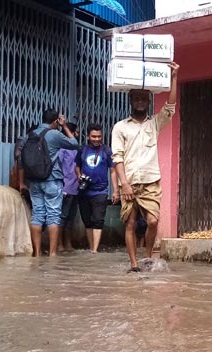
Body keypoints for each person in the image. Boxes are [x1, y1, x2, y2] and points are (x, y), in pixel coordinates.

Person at [111, 62, 179, 272]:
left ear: (148, 102)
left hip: (150, 182)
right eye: (136, 98)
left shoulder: (155, 123)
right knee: (130, 224)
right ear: (130, 100)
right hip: (129, 182)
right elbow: (117, 157)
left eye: (144, 98)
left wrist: (174, 77)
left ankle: (148, 257)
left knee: (152, 221)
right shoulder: (120, 127)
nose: (140, 102)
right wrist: (124, 184)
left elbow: (170, 108)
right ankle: (133, 265)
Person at [20, 110, 79, 257]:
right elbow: (74, 144)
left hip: (34, 181)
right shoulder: (53, 133)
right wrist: (64, 126)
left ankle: (37, 253)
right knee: (53, 215)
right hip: (52, 179)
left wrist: (22, 182)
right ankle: (52, 254)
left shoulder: (30, 135)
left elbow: (21, 160)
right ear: (55, 121)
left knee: (37, 215)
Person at [75, 123, 118, 253]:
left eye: (99, 136)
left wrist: (116, 190)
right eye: (94, 136)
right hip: (84, 191)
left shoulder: (107, 151)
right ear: (88, 136)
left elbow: (113, 171)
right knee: (87, 221)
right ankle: (91, 247)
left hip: (100, 191)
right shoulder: (82, 150)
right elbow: (77, 166)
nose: (97, 139)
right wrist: (79, 175)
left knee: (98, 220)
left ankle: (94, 250)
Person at [58, 123, 80, 251]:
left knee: (70, 217)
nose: (77, 134)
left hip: (75, 187)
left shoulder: (75, 148)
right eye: (75, 132)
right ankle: (60, 244)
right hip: (65, 186)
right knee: (63, 216)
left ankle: (68, 243)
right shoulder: (62, 148)